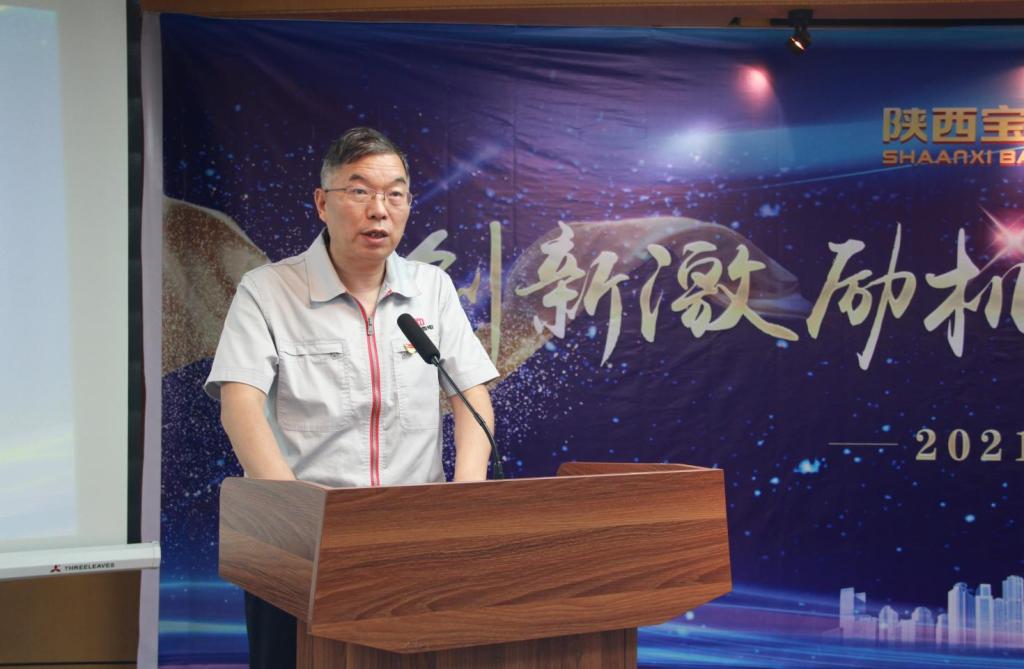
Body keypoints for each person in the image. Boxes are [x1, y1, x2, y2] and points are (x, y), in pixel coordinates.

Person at [204, 127, 499, 668]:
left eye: (395, 194)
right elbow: (239, 405)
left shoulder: (431, 289)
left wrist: (466, 498)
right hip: (301, 545)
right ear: (323, 203)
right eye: (359, 191)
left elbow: (470, 393)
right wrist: (295, 514)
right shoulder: (268, 291)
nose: (379, 210)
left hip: (415, 538)